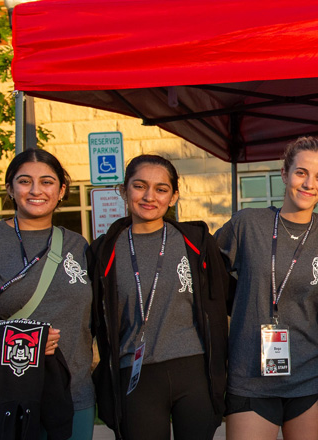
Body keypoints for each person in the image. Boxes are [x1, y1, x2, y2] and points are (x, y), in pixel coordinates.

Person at [0, 149, 94, 440]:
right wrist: (25, 340)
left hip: (73, 390)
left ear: (61, 190)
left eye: (47, 182)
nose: (36, 190)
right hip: (6, 391)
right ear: (10, 189)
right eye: (25, 181)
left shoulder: (78, 245)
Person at [215, 136, 318, 440]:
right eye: (301, 173)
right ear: (284, 174)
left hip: (310, 374)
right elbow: (207, 273)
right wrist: (240, 302)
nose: (309, 184)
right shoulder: (247, 224)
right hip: (249, 374)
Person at [90, 154, 230, 440]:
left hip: (194, 370)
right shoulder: (103, 251)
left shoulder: (196, 242)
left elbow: (228, 296)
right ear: (124, 190)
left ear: (174, 196)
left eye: (161, 189)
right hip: (135, 373)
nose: (149, 196)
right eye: (139, 186)